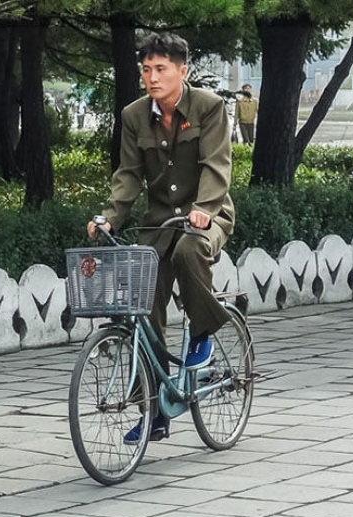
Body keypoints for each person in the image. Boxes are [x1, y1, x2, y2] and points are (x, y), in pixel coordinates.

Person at [86, 32, 235, 444]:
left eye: (161, 69)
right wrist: (110, 218)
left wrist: (204, 208)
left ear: (182, 71)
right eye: (146, 69)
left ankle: (202, 332)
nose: (152, 77)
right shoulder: (134, 115)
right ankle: (152, 408)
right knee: (141, 297)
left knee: (190, 251)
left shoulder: (208, 107)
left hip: (208, 214)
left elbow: (216, 164)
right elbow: (128, 174)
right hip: (158, 225)